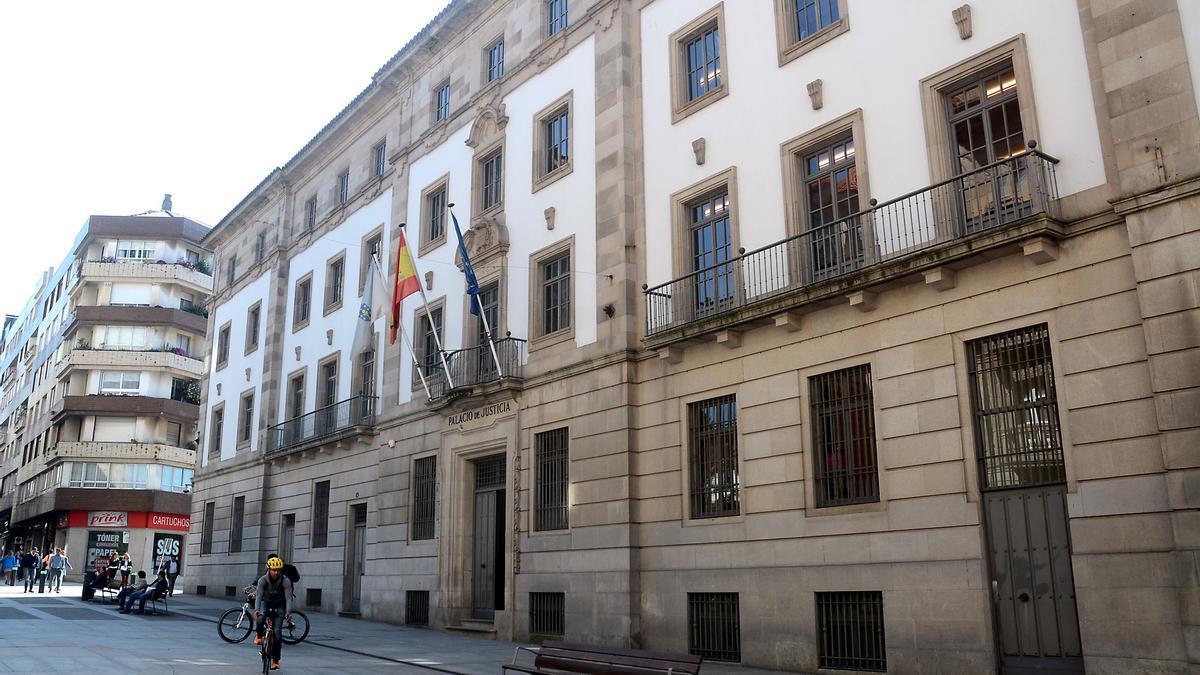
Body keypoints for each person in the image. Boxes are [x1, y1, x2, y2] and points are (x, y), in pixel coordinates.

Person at [254, 557, 293, 671]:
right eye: (274, 570)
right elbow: (259, 596)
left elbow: (289, 598)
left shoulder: (285, 581)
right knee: (260, 619)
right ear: (269, 569)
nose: (276, 572)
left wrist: (288, 611)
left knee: (277, 633)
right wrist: (257, 610)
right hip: (265, 602)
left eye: (279, 570)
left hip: (279, 605)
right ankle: (259, 635)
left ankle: (276, 660)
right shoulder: (263, 580)